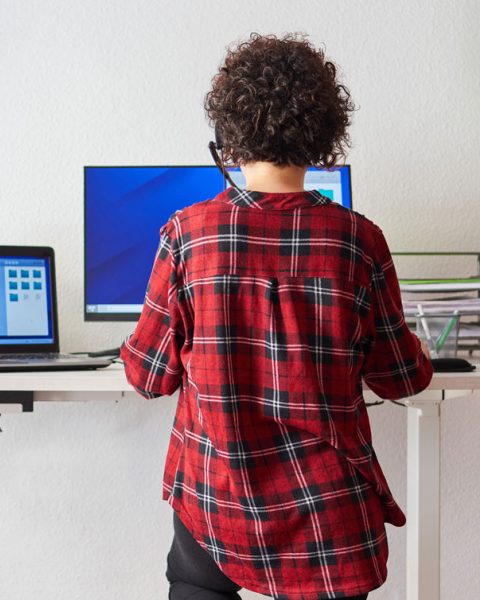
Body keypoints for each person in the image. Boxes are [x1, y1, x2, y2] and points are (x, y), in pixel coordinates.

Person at [120, 33, 433, 600]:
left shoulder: (188, 236)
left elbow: (147, 378)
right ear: (322, 136)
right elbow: (401, 378)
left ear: (229, 137)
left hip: (219, 501)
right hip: (327, 517)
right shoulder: (359, 242)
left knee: (194, 581)